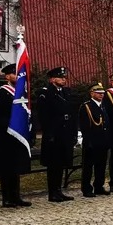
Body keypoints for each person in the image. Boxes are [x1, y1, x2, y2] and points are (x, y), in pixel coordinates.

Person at [0, 63, 31, 208]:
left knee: (16, 166)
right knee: (6, 167)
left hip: (19, 135)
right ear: (7, 76)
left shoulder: (23, 92)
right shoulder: (1, 92)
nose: (16, 76)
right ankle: (6, 197)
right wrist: (12, 123)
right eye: (14, 73)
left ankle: (16, 196)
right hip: (5, 135)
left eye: (18, 73)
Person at [34, 66, 78, 202]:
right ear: (52, 79)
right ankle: (52, 192)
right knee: (53, 164)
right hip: (53, 134)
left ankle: (59, 190)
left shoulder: (66, 92)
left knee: (61, 163)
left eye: (64, 77)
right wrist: (50, 133)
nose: (63, 80)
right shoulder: (45, 93)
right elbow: (44, 115)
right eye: (60, 77)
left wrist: (73, 133)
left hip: (65, 133)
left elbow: (71, 113)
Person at [78, 83, 111, 197]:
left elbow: (106, 124)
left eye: (102, 93)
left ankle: (99, 186)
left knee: (101, 165)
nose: (101, 95)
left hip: (103, 141)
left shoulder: (103, 106)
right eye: (98, 93)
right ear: (92, 93)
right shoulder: (86, 106)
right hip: (92, 141)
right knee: (88, 166)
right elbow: (85, 126)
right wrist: (88, 141)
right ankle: (86, 188)